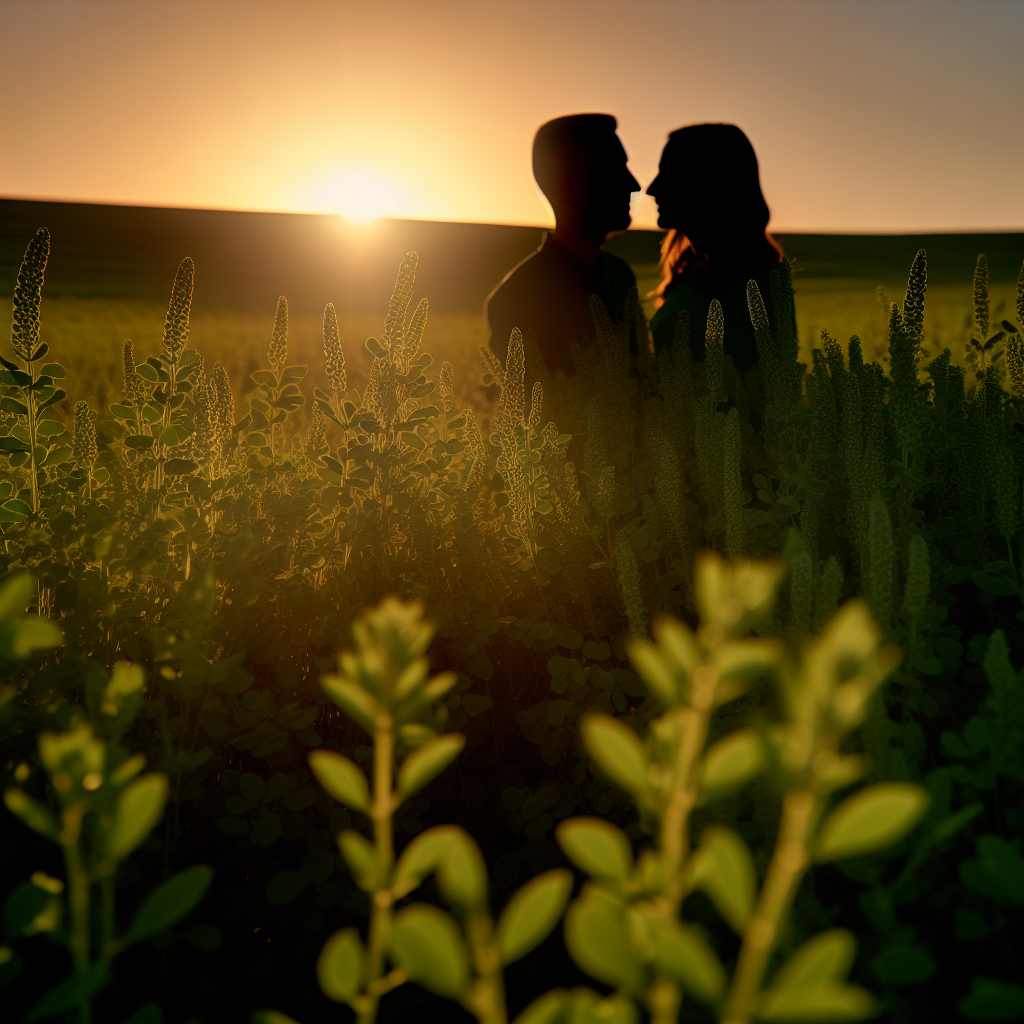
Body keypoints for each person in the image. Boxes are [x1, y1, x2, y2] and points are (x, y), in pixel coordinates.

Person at [485, 114, 640, 380]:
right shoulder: (515, 300)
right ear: (573, 190)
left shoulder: (621, 274)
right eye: (616, 171)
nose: (634, 184)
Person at [647, 123, 785, 372]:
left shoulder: (759, 282)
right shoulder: (694, 271)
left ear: (706, 182)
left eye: (668, 174)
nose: (652, 188)